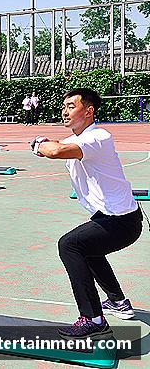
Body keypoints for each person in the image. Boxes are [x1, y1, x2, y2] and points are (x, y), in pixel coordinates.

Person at [31, 88, 142, 339]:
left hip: (121, 220)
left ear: (89, 111)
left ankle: (93, 319)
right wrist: (45, 144)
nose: (64, 111)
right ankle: (117, 301)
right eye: (64, 106)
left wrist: (39, 143)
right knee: (89, 249)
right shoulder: (79, 139)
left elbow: (55, 151)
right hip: (111, 217)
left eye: (71, 106)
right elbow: (57, 146)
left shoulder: (98, 137)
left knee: (70, 245)